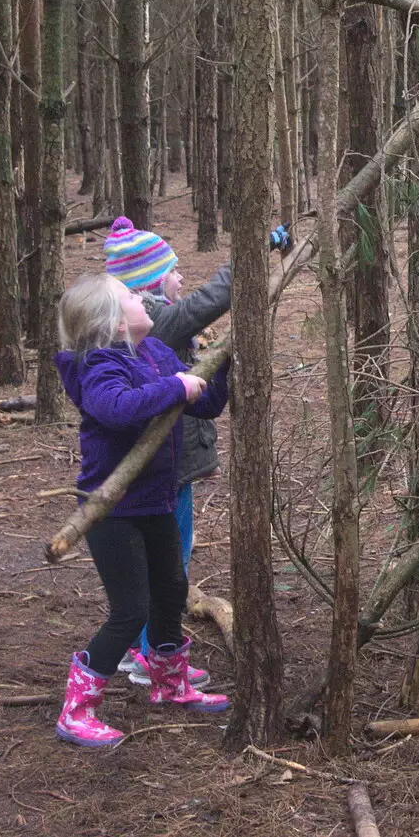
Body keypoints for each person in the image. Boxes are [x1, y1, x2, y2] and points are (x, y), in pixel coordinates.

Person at [100, 217, 290, 686]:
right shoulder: (158, 323)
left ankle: (134, 650)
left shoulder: (148, 328)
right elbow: (211, 299)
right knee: (171, 562)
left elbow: (204, 400)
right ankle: (150, 658)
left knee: (156, 563)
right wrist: (257, 247)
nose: (181, 278)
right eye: (173, 271)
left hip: (162, 468)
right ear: (146, 285)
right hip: (165, 472)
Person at [50, 273, 232, 749]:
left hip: (156, 500)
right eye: (131, 296)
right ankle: (77, 709)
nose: (143, 297)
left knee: (171, 590)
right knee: (130, 610)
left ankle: (170, 685)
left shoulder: (155, 352)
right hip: (112, 512)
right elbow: (118, 409)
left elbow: (206, 403)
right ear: (111, 322)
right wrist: (175, 386)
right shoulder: (99, 366)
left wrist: (224, 362)